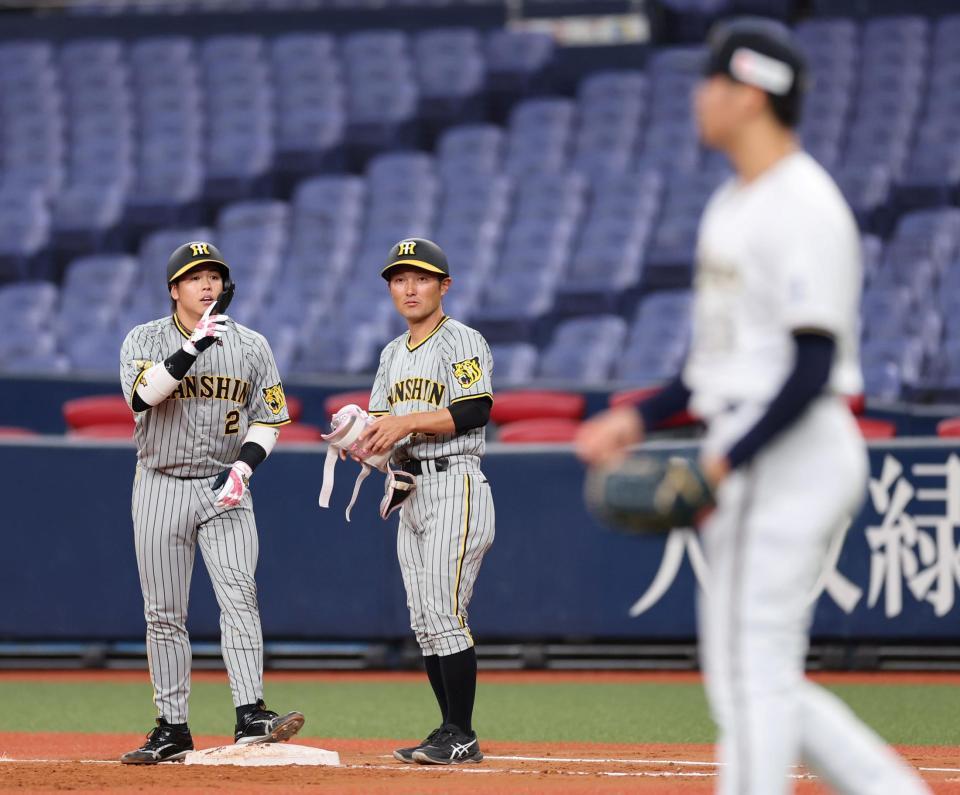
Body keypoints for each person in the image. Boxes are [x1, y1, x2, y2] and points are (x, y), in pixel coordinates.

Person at [576, 19, 929, 795]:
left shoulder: (804, 204)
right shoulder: (732, 207)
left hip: (789, 448)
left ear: (750, 93)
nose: (699, 97)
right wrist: (635, 416)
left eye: (712, 83)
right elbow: (713, 369)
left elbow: (810, 366)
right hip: (759, 440)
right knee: (752, 669)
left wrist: (723, 460)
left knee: (751, 670)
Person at [118, 241, 304, 764]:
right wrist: (193, 347)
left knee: (240, 595)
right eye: (194, 276)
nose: (206, 284)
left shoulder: (251, 345)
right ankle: (171, 727)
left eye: (214, 276)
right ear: (173, 289)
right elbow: (142, 395)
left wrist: (245, 466)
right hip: (159, 483)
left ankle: (252, 713)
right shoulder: (145, 338)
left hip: (224, 485)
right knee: (164, 614)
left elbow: (268, 417)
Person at [359, 237, 495, 765]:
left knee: (443, 611)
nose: (409, 287)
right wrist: (360, 440)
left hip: (456, 482)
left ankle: (462, 733)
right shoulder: (392, 353)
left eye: (420, 278)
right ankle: (448, 730)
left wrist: (405, 422)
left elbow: (476, 408)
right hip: (412, 489)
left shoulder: (462, 339)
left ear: (444, 285)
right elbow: (379, 426)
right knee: (424, 619)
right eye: (399, 278)